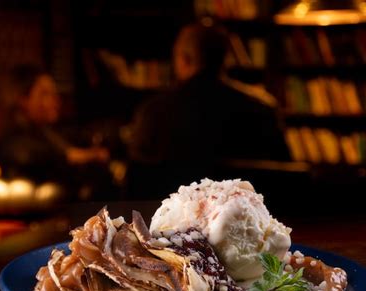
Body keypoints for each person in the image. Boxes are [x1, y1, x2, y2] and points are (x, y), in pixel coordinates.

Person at [125, 21, 291, 199]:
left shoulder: (155, 111)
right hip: (246, 221)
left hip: (173, 222)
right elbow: (284, 179)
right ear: (225, 58)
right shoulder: (262, 109)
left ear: (184, 59)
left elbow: (136, 183)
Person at [0, 64, 112, 201]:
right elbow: (58, 157)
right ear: (23, 99)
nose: (55, 99)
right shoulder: (14, 139)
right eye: (45, 94)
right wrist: (92, 156)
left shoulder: (47, 131)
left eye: (54, 93)